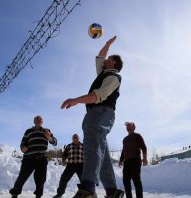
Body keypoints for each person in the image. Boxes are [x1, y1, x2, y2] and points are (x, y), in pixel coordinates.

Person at [61, 36, 124, 198]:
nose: (105, 59)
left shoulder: (113, 77)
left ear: (114, 64)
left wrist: (76, 100)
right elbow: (100, 56)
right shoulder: (103, 73)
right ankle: (112, 191)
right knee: (100, 149)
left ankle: (87, 188)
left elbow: (97, 96)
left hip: (102, 111)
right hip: (97, 112)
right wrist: (108, 44)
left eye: (109, 59)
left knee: (92, 141)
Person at [9, 115, 57, 198]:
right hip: (28, 159)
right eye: (37, 119)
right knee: (22, 177)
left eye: (40, 119)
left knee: (41, 179)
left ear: (42, 121)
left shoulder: (47, 131)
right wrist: (23, 148)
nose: (39, 120)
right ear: (34, 121)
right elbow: (22, 143)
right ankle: (15, 193)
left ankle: (38, 195)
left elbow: (55, 142)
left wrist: (49, 137)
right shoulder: (28, 131)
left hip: (41, 159)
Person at [119, 122, 147, 198]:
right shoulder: (125, 139)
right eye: (127, 126)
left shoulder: (137, 136)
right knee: (125, 181)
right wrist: (121, 160)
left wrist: (144, 158)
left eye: (129, 125)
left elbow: (143, 147)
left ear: (134, 127)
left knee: (136, 180)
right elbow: (123, 150)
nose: (128, 127)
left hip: (135, 160)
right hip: (127, 162)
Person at [53, 133, 84, 198]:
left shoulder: (83, 146)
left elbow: (87, 155)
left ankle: (85, 195)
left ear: (79, 138)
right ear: (72, 139)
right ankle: (59, 194)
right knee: (63, 179)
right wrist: (63, 160)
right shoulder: (69, 146)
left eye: (76, 137)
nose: (75, 139)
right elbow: (64, 155)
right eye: (74, 138)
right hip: (70, 165)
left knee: (84, 181)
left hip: (81, 166)